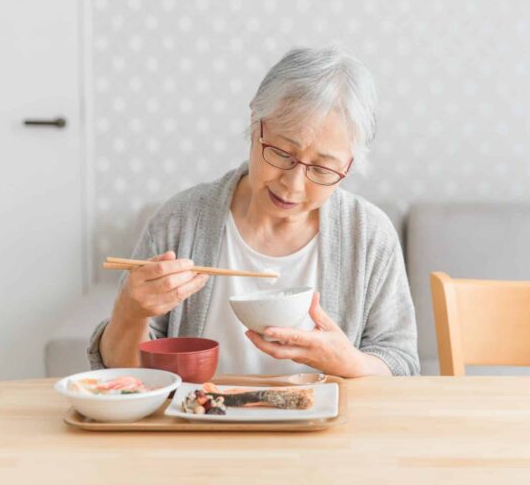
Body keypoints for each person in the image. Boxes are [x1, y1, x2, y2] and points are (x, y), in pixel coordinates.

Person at [88, 46, 419, 377]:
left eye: (322, 168)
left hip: (324, 428)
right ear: (255, 121)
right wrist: (130, 310)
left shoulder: (369, 235)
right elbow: (124, 376)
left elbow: (402, 367)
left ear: (348, 164)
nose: (293, 184)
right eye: (281, 152)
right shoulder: (181, 222)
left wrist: (350, 363)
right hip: (199, 427)